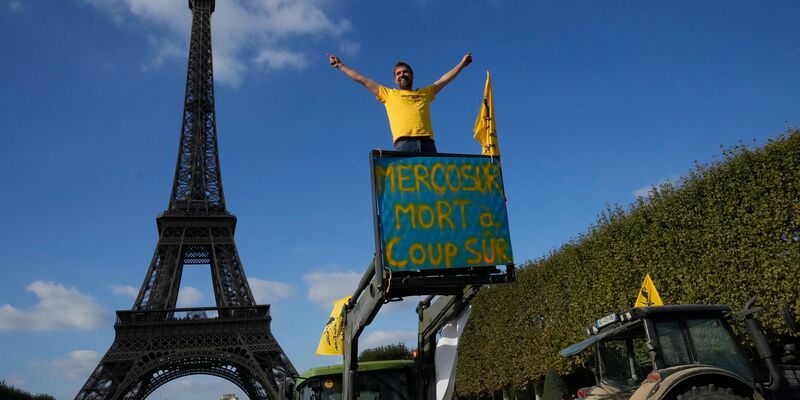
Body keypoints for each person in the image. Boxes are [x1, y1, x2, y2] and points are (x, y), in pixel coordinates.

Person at [328, 52, 473, 153]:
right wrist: (340, 65)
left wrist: (461, 64)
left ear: (411, 75)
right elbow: (362, 80)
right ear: (394, 80)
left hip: (428, 144)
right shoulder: (388, 94)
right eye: (398, 73)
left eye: (405, 72)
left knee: (431, 190)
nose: (402, 75)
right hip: (404, 145)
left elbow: (444, 80)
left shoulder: (424, 93)